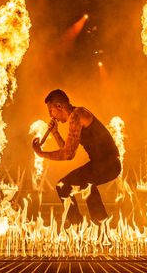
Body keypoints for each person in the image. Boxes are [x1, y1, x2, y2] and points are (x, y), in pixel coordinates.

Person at [31, 89, 121, 225]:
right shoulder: (75, 117)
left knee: (87, 183)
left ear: (59, 106)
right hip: (98, 164)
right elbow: (68, 150)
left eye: (51, 110)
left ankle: (101, 227)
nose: (51, 115)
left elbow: (67, 154)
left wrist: (42, 154)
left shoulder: (77, 115)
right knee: (63, 187)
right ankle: (77, 226)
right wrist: (55, 132)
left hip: (109, 164)